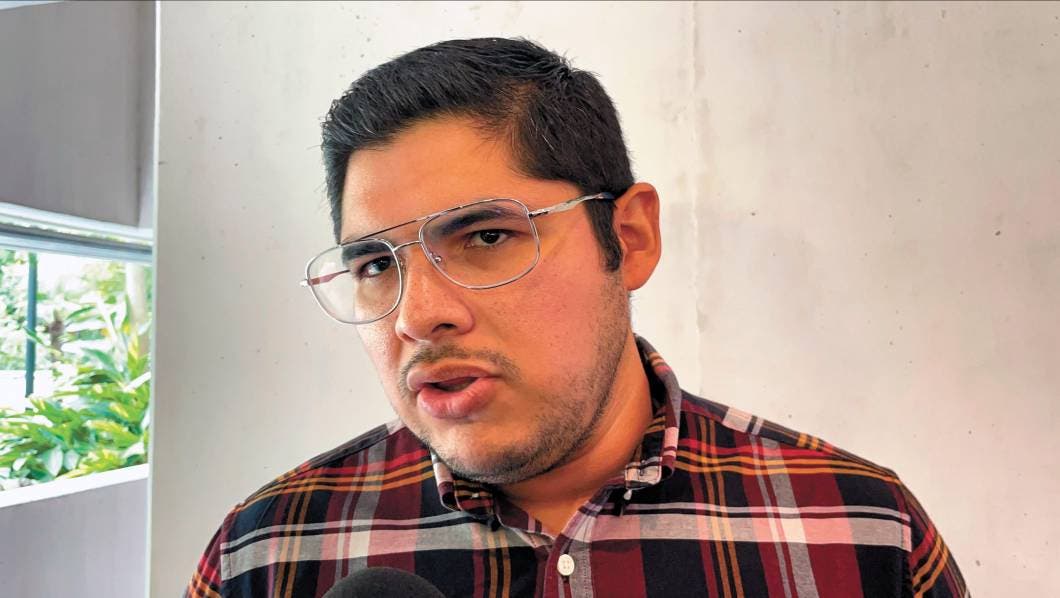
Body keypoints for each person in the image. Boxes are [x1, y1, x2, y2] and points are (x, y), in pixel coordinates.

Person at [186, 38, 968, 598]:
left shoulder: (862, 532)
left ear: (629, 238)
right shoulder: (266, 555)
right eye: (375, 265)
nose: (417, 317)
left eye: (486, 237)